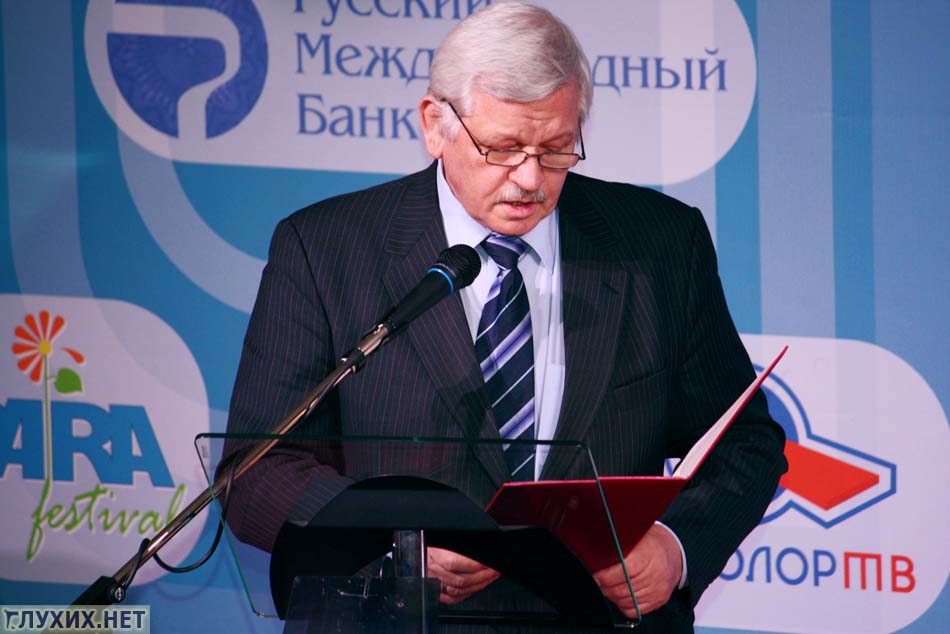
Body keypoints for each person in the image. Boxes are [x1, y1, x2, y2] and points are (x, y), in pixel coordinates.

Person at [222, 3, 787, 632]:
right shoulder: (326, 249)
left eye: (556, 149)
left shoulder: (659, 245)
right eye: (502, 148)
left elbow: (743, 442)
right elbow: (255, 469)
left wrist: (675, 546)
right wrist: (394, 544)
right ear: (435, 124)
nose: (530, 178)